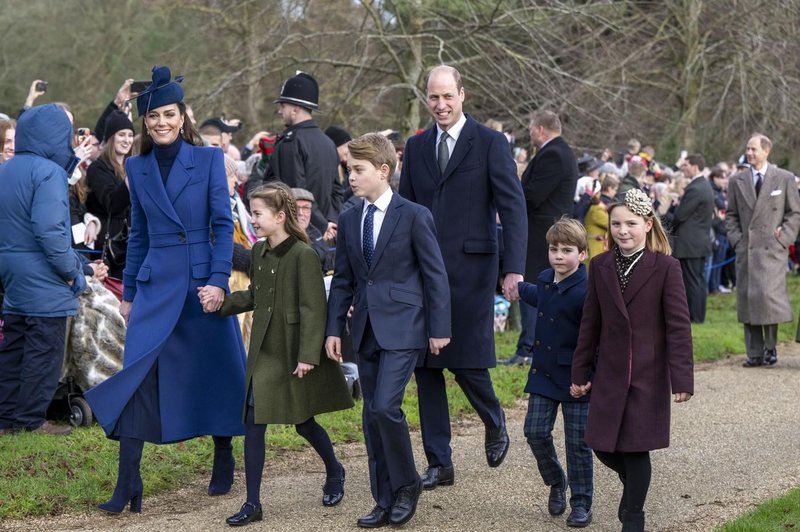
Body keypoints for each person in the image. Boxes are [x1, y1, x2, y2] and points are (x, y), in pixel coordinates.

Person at [84, 66, 247, 513]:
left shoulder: (210, 160)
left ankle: (223, 450)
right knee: (137, 377)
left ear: (182, 116)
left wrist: (217, 282)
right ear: (144, 120)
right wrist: (130, 293)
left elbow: (221, 225)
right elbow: (137, 235)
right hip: (155, 288)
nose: (160, 122)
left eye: (169, 114)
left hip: (200, 286)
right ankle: (128, 482)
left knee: (215, 370)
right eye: (152, 115)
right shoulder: (135, 167)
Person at [398, 65, 527, 489]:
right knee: (427, 367)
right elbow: (407, 209)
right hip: (422, 271)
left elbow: (512, 208)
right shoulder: (416, 148)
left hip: (472, 270)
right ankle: (440, 462)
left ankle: (493, 419)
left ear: (462, 95)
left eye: (447, 97)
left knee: (468, 359)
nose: (440, 105)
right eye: (433, 98)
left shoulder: (489, 143)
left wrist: (514, 268)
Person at [327, 132, 451, 528]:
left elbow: (435, 276)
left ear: (383, 170)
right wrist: (333, 330)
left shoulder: (414, 215)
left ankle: (407, 483)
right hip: (363, 329)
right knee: (371, 417)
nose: (351, 177)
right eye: (348, 169)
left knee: (384, 407)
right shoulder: (349, 218)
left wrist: (439, 327)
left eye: (358, 170)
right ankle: (384, 498)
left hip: (405, 327)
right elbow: (343, 280)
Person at [213, 182, 353, 527]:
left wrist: (308, 355)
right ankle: (253, 503)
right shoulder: (259, 251)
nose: (253, 220)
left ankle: (335, 470)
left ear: (279, 216)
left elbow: (313, 308)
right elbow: (255, 295)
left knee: (303, 422)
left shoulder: (304, 255)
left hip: (293, 351)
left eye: (257, 214)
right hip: (264, 349)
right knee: (253, 422)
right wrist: (220, 303)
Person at [571, 189, 694, 532]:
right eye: (616, 224)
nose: (623, 231)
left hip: (647, 373)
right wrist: (580, 371)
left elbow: (679, 327)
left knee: (636, 447)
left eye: (631, 224)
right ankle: (633, 488)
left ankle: (634, 515)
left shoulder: (666, 267)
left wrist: (682, 378)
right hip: (609, 370)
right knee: (602, 444)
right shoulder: (600, 265)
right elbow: (590, 322)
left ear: (648, 224)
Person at [0, 103, 87, 436]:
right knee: (43, 350)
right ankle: (31, 420)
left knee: (14, 347)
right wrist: (71, 271)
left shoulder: (6, 169)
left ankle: (6, 418)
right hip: (43, 276)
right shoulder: (49, 172)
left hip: (12, 271)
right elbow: (50, 231)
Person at [517, 218, 593, 527]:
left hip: (577, 377)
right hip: (544, 372)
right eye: (553, 249)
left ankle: (581, 502)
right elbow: (541, 297)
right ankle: (556, 480)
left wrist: (586, 377)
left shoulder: (589, 290)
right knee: (534, 431)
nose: (559, 256)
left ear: (583, 254)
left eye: (567, 250)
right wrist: (514, 284)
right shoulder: (547, 279)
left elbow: (595, 337)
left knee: (577, 443)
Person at [503, 110, 578, 366]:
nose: (530, 132)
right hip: (545, 229)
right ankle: (530, 346)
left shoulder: (554, 154)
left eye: (531, 128)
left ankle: (528, 349)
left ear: (541, 129)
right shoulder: (557, 151)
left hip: (542, 232)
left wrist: (511, 187)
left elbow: (534, 195)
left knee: (534, 287)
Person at [725, 134, 800, 367]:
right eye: (747, 149)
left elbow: (794, 213)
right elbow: (731, 215)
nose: (749, 153)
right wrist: (737, 240)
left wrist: (784, 239)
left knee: (768, 299)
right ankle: (754, 352)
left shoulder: (784, 178)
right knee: (749, 299)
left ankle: (770, 347)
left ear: (766, 151)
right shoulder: (737, 180)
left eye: (753, 149)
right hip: (747, 250)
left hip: (772, 251)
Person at [247, 72, 342, 239]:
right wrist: (329, 223)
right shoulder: (328, 143)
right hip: (325, 233)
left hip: (297, 232)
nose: (279, 111)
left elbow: (295, 192)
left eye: (283, 106)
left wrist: (322, 224)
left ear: (295, 109)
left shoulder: (290, 142)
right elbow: (337, 192)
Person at [86, 111, 135, 280]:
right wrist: (131, 179)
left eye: (130, 135)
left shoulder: (130, 166)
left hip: (129, 247)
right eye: (121, 135)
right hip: (108, 251)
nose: (126, 140)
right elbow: (112, 204)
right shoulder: (97, 169)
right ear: (111, 138)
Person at [669, 154, 715, 323]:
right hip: (698, 242)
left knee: (691, 283)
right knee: (698, 281)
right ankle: (698, 316)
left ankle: (694, 317)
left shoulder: (695, 188)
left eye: (686, 165)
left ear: (695, 167)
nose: (683, 168)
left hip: (690, 244)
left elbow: (680, 215)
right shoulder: (704, 185)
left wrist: (669, 224)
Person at [584, 175, 619, 263]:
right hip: (594, 247)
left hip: (597, 246)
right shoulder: (597, 208)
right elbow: (611, 223)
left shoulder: (597, 207)